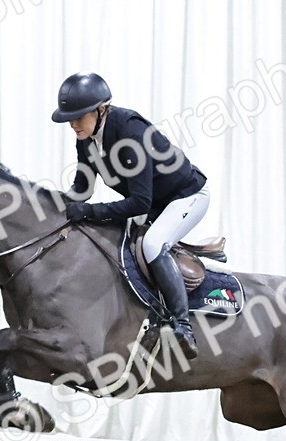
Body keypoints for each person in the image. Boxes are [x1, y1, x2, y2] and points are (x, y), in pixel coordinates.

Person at [52, 72, 208, 359]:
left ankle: (182, 326)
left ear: (101, 110)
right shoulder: (85, 138)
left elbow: (138, 203)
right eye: (69, 118)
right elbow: (82, 188)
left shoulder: (129, 132)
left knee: (151, 245)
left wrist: (87, 211)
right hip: (155, 204)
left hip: (186, 197)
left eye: (79, 116)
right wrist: (51, 204)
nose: (73, 124)